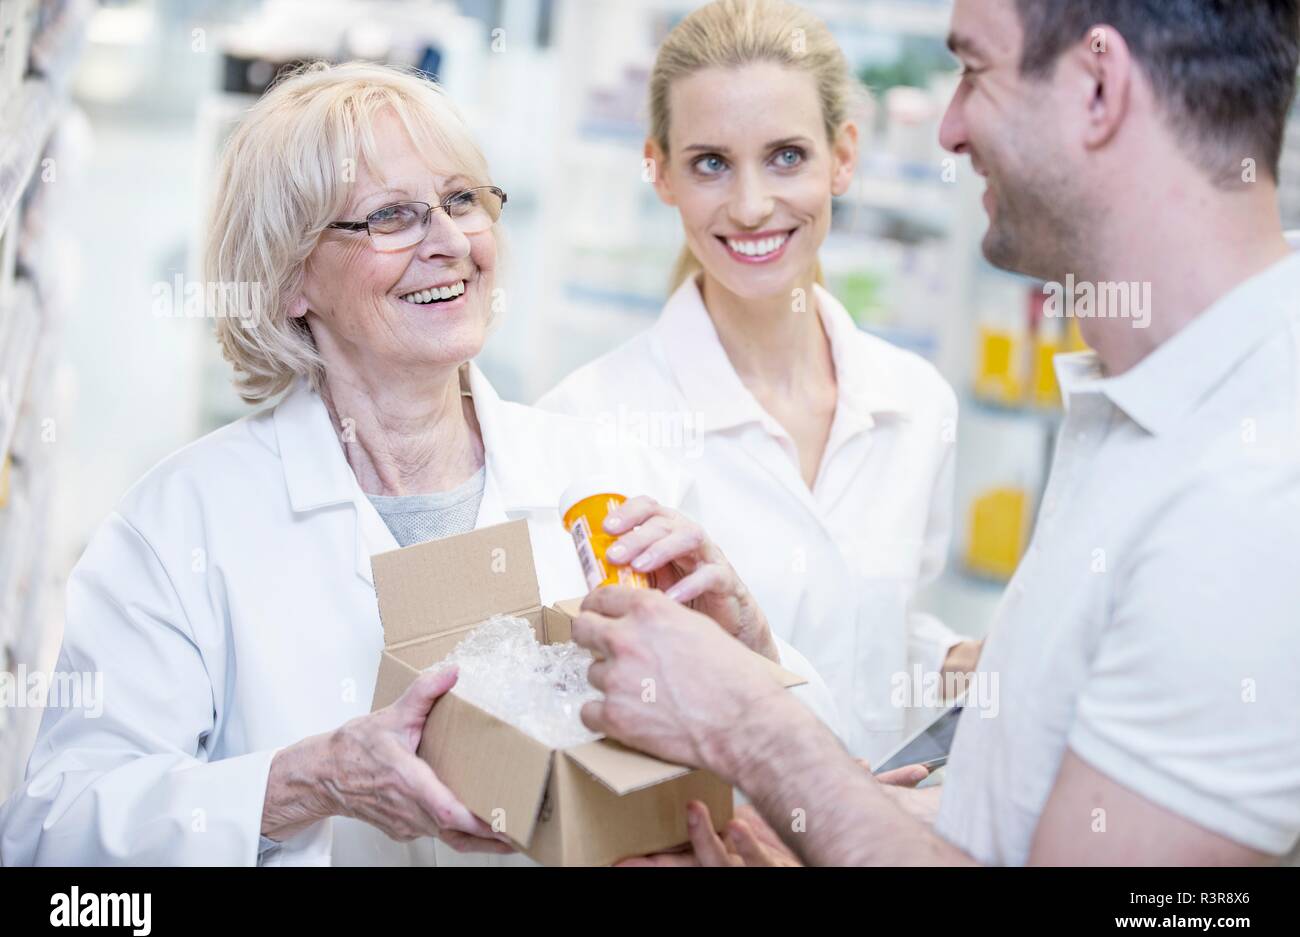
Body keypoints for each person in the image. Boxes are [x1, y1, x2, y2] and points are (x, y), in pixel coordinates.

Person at [0, 61, 836, 867]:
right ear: (290, 278)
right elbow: (53, 832)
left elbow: (815, 792)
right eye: (391, 216)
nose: (449, 242)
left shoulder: (605, 476)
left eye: (462, 200)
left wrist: (750, 651)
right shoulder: (181, 525)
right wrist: (310, 780)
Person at [572, 0, 1300, 866]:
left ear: (1099, 88)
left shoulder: (1252, 484)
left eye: (974, 69)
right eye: (710, 164)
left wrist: (754, 727)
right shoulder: (1138, 409)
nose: (948, 130)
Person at [538, 0, 980, 764]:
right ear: (660, 171)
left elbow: (885, 625)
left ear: (843, 156)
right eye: (711, 163)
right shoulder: (583, 423)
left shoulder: (916, 402)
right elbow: (589, 711)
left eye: (786, 157)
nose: (750, 207)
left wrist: (948, 665)